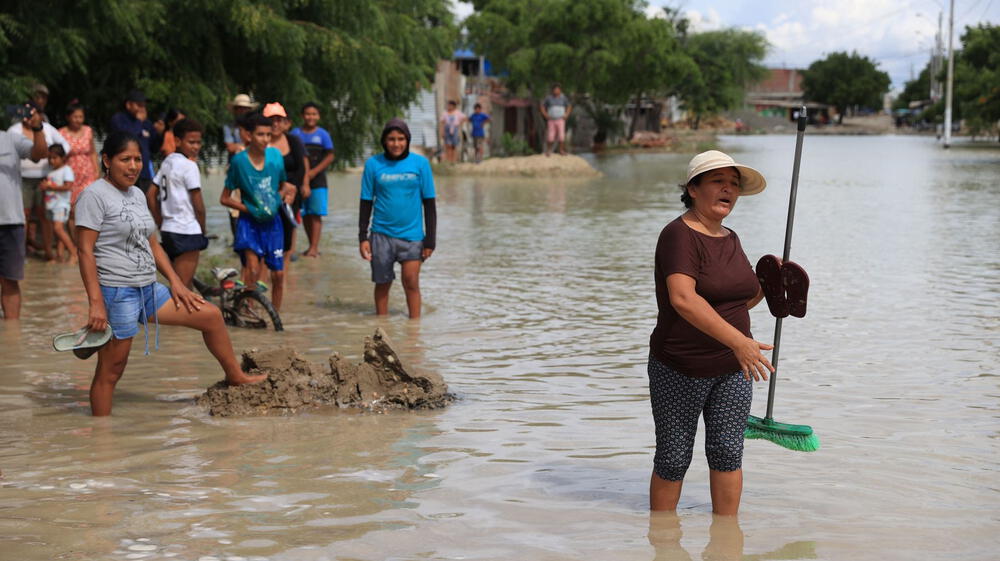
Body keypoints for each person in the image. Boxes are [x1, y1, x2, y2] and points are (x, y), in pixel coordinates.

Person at [75, 132, 266, 416]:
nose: (133, 166)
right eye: (124, 159)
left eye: (138, 159)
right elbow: (85, 251)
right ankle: (102, 437)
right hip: (117, 293)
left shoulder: (137, 194)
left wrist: (177, 283)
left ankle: (235, 376)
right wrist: (95, 303)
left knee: (210, 316)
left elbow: (153, 244)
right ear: (106, 160)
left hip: (148, 288)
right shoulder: (94, 195)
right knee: (111, 370)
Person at [647, 150, 774, 515]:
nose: (728, 190)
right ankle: (663, 542)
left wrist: (772, 286)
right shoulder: (678, 235)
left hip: (734, 367)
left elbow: (736, 302)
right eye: (718, 181)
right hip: (680, 365)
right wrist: (740, 342)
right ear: (694, 188)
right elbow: (683, 300)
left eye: (733, 184)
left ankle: (727, 541)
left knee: (728, 453)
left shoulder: (730, 237)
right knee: (673, 457)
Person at [358, 118, 436, 319]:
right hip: (381, 234)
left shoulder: (420, 164)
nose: (396, 144)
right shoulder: (373, 164)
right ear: (384, 141)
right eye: (391, 139)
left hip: (412, 236)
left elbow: (429, 204)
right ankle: (382, 330)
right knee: (382, 284)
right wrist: (362, 237)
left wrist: (430, 241)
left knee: (411, 283)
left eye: (401, 139)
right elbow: (366, 202)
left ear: (407, 140)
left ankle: (414, 333)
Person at [220, 113, 296, 311]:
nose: (265, 139)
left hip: (274, 224)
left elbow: (281, 185)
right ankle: (248, 308)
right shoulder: (239, 162)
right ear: (247, 135)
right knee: (252, 269)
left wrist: (283, 195)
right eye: (260, 134)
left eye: (268, 135)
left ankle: (275, 316)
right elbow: (225, 198)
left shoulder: (276, 157)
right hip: (249, 224)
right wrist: (249, 209)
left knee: (278, 275)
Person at [147, 118, 207, 289]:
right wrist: (202, 230)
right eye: (191, 142)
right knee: (182, 287)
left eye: (198, 142)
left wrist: (160, 222)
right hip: (187, 231)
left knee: (180, 284)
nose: (196, 147)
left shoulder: (168, 161)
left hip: (168, 230)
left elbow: (151, 195)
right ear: (178, 141)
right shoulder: (190, 166)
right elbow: (199, 206)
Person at [0, 108, 47, 319]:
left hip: (10, 221)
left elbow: (39, 154)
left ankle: (12, 336)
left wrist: (37, 127)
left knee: (10, 281)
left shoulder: (10, 138)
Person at [7, 106, 71, 261]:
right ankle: (21, 253)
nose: (29, 116)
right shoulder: (14, 130)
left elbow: (65, 145)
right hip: (22, 179)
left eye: (32, 113)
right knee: (23, 216)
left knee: (45, 216)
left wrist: (55, 156)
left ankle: (49, 253)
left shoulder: (47, 128)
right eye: (26, 113)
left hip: (45, 178)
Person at [262, 102, 308, 270]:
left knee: (289, 228)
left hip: (291, 192)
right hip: (266, 192)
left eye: (279, 120)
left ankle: (284, 271)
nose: (275, 124)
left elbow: (301, 167)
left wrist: (295, 187)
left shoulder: (293, 141)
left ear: (285, 122)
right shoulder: (261, 142)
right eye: (271, 120)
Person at [291, 101, 335, 257]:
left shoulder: (323, 134)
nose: (311, 117)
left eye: (314, 114)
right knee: (305, 214)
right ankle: (310, 245)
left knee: (316, 213)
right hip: (299, 179)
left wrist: (314, 172)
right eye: (308, 114)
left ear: (318, 116)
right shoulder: (295, 133)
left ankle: (314, 247)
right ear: (302, 116)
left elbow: (330, 156)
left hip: (318, 180)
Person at [108, 89, 163, 193]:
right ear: (129, 105)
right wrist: (138, 122)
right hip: (124, 172)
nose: (142, 109)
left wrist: (160, 134)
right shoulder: (119, 119)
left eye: (144, 106)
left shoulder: (146, 123)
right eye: (139, 105)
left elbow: (154, 148)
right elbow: (124, 139)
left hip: (144, 173)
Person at [39, 144, 77, 263]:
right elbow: (49, 187)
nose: (51, 160)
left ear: (63, 158)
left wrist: (50, 186)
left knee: (58, 229)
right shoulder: (50, 172)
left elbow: (68, 186)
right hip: (50, 204)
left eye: (55, 158)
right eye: (50, 158)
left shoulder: (66, 170)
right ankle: (59, 256)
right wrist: (44, 187)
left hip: (61, 205)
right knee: (58, 232)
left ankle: (74, 253)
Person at [59, 102, 100, 206]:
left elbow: (92, 152)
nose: (78, 120)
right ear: (68, 117)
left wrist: (96, 171)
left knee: (89, 203)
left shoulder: (88, 130)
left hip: (88, 174)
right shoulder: (61, 133)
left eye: (81, 117)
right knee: (73, 208)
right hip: (70, 175)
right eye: (75, 117)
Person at [223, 94, 257, 160]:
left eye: (245, 108)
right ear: (235, 110)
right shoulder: (229, 127)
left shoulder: (256, 125)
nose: (243, 111)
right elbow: (230, 147)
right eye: (240, 108)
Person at [541, 83, 572, 156]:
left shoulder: (563, 98)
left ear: (560, 90)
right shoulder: (548, 98)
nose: (555, 91)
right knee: (551, 136)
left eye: (557, 89)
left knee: (561, 136)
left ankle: (561, 150)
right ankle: (548, 151)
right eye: (554, 89)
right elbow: (542, 106)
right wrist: (545, 115)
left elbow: (569, 106)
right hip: (551, 120)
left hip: (561, 119)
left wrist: (567, 114)